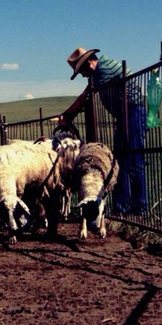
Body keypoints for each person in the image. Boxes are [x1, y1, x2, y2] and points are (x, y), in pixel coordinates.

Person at [59, 46, 149, 214]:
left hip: (133, 111)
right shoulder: (99, 72)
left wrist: (68, 115)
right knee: (120, 161)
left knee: (134, 159)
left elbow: (86, 95)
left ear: (89, 62)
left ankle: (140, 208)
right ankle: (122, 207)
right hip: (125, 115)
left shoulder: (103, 69)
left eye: (82, 71)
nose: (84, 75)